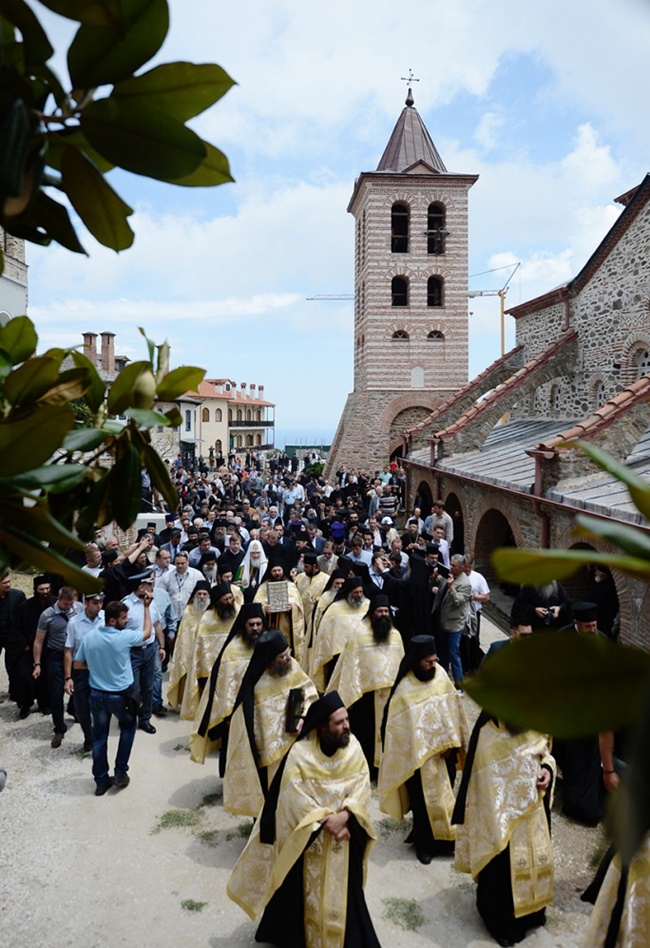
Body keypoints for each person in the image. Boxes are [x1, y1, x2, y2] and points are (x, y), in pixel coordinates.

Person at [227, 692, 380, 947]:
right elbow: (294, 799)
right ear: (322, 728)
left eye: (347, 719)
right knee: (298, 899)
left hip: (346, 836)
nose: (347, 727)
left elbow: (363, 788)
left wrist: (345, 817)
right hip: (309, 841)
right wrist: (327, 822)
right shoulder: (300, 754)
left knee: (349, 899)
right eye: (339, 723)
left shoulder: (353, 748)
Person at [453, 712, 555, 946]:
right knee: (501, 875)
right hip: (499, 827)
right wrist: (500, 816)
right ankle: (500, 924)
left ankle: (533, 913)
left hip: (532, 817)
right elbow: (481, 790)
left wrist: (547, 771)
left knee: (534, 862)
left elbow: (546, 755)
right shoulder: (487, 736)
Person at [379, 635, 469, 864]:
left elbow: (454, 711)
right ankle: (424, 844)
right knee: (422, 805)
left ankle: (447, 842)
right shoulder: (404, 689)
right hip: (417, 761)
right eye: (428, 662)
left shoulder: (440, 677)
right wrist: (419, 751)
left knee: (446, 797)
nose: (434, 665)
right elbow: (397, 728)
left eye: (435, 660)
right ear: (417, 661)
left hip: (444, 755)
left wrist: (452, 744)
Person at [222, 630, 317, 818]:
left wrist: (302, 717)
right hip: (269, 753)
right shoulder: (255, 683)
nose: (289, 659)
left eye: (289, 653)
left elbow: (308, 691)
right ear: (270, 659)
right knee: (273, 796)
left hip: (295, 743)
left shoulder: (293, 668)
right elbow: (245, 722)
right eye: (283, 656)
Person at [74, 598, 154, 795]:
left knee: (99, 737)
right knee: (128, 728)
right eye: (123, 618)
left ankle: (101, 781)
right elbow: (147, 633)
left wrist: (95, 667)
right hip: (120, 696)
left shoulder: (91, 637)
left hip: (96, 695)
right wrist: (145, 607)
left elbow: (77, 664)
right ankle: (120, 772)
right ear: (112, 621)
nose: (126, 621)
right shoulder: (124, 637)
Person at [327, 593, 404, 779]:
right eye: (380, 611)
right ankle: (367, 770)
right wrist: (349, 696)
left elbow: (400, 664)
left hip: (389, 695)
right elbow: (350, 667)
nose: (384, 615)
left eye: (386, 611)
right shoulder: (359, 634)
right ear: (372, 613)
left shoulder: (395, 635)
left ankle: (384, 770)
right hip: (365, 697)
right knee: (366, 735)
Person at [189, 602, 266, 764]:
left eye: (259, 624)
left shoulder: (267, 646)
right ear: (243, 625)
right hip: (237, 711)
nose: (255, 628)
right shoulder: (231, 651)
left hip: (262, 708)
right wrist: (228, 715)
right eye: (251, 624)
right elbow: (225, 686)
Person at [33, 586, 83, 748]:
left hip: (76, 656)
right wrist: (37, 664)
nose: (69, 607)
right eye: (66, 604)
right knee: (56, 694)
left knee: (79, 686)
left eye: (71, 604)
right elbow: (38, 641)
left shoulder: (79, 609)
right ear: (59, 600)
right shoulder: (47, 615)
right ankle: (59, 728)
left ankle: (73, 709)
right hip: (56, 656)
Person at [122, 572, 166, 734]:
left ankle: (145, 718)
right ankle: (128, 717)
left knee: (148, 687)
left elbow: (157, 625)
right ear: (141, 587)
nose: (152, 586)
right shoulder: (125, 605)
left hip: (149, 650)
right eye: (149, 584)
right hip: (131, 652)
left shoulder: (152, 603)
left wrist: (161, 646)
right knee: (132, 688)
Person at [309, 576, 369, 692]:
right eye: (355, 592)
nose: (359, 595)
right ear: (348, 592)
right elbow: (325, 633)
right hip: (338, 656)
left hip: (362, 653)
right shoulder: (335, 609)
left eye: (361, 592)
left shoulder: (367, 605)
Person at [63, 592, 105, 752]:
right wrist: (68, 678)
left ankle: (100, 738)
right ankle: (89, 736)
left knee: (101, 707)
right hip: (81, 672)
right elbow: (68, 651)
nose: (99, 606)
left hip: (101, 670)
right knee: (82, 709)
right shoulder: (74, 623)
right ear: (86, 602)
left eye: (101, 602)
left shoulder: (105, 618)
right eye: (95, 602)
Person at [6, 575, 51, 718]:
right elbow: (16, 629)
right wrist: (24, 644)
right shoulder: (25, 607)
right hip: (28, 649)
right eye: (41, 589)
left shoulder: (55, 604)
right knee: (24, 677)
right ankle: (26, 704)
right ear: (35, 590)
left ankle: (45, 704)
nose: (45, 592)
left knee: (47, 678)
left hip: (49, 650)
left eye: (47, 588)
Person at [437, 554, 472, 693]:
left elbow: (458, 601)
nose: (450, 567)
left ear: (462, 568)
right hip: (444, 620)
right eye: (450, 564)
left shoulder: (465, 584)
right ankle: (443, 679)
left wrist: (451, 588)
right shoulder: (449, 575)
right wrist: (436, 577)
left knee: (453, 653)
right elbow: (441, 586)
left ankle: (459, 685)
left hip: (455, 624)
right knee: (444, 653)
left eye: (454, 566)